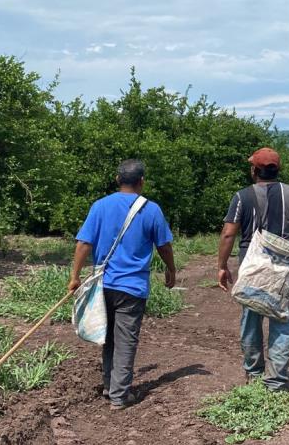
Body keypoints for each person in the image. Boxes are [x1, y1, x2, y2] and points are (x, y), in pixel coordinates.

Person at [68, 159, 176, 410]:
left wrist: (74, 276)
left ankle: (110, 385)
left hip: (102, 285)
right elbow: (164, 245)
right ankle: (119, 395)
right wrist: (171, 269)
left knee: (108, 337)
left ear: (118, 180)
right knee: (125, 339)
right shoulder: (151, 210)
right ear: (142, 182)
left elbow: (84, 243)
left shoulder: (100, 206)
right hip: (133, 287)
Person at [217, 147, 289, 391]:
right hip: (286, 270)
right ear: (277, 170)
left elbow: (229, 232)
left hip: (252, 267)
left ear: (254, 170)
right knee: (283, 320)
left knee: (251, 319)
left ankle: (254, 374)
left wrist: (221, 266)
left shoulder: (242, 197)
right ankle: (275, 382)